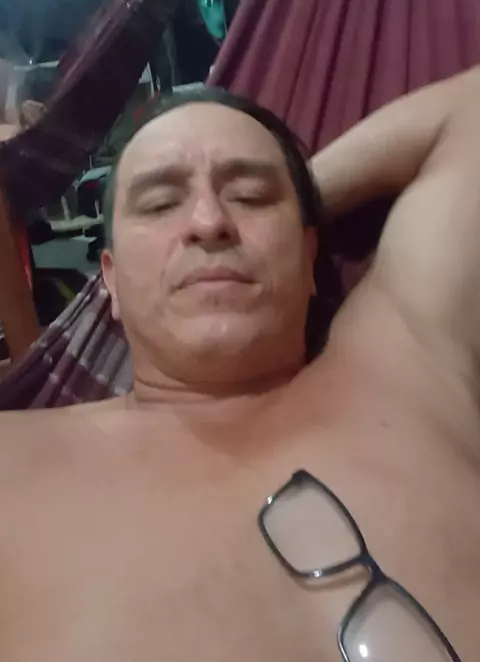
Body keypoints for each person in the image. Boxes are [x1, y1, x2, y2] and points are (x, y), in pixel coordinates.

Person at [0, 74, 479, 662]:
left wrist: (301, 204)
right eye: (161, 203)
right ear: (112, 281)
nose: (209, 221)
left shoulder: (406, 364)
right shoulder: (14, 465)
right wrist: (270, 218)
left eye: (251, 196)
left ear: (311, 253)